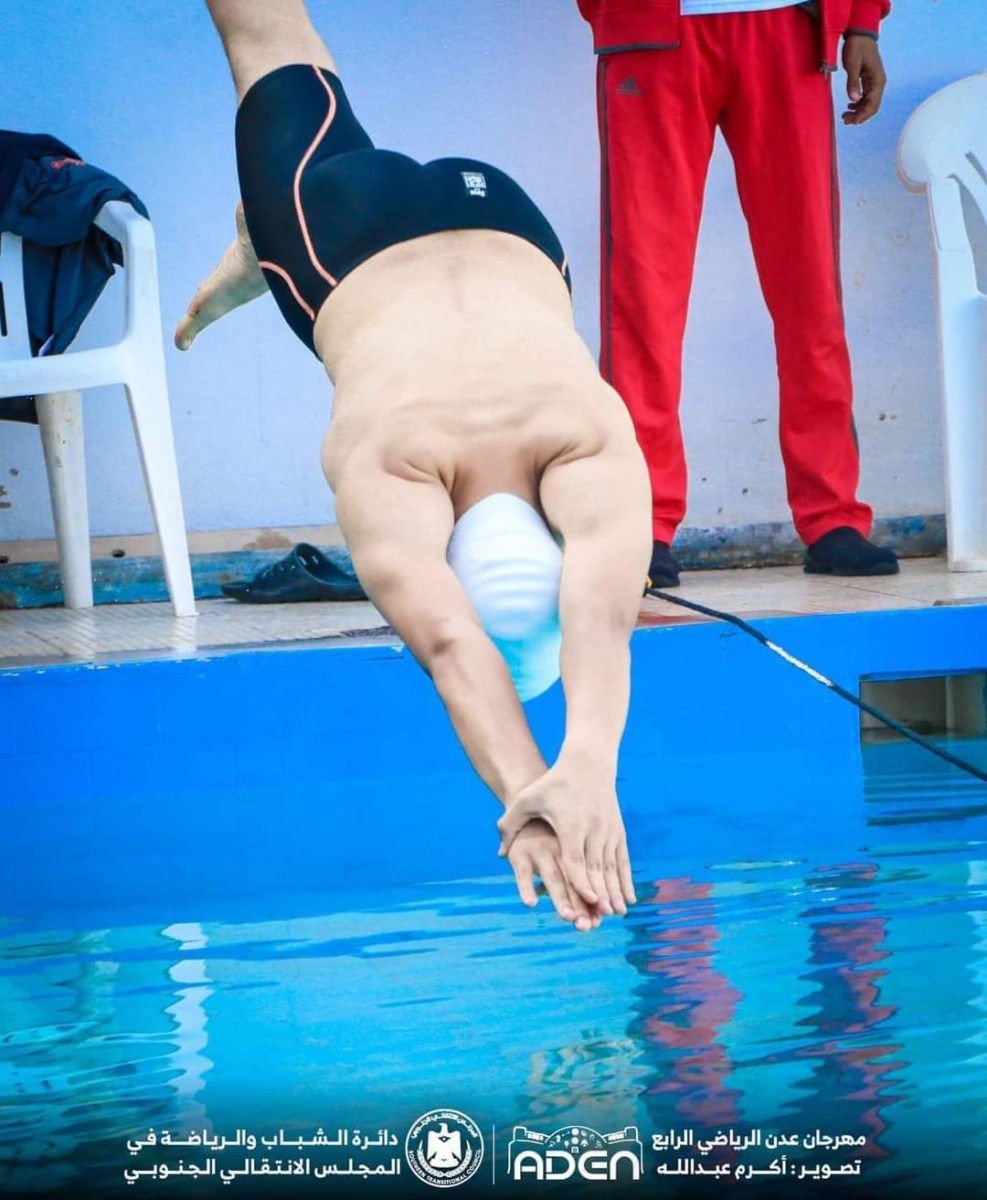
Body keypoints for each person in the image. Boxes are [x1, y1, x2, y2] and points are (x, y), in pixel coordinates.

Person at [178, 0, 653, 933]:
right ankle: (262, 246)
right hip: (334, 236)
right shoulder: (390, 468)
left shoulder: (588, 438)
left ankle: (254, 249)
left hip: (505, 218)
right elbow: (446, 647)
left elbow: (600, 617)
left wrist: (586, 768)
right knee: (263, 32)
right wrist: (527, 797)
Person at [577, 0, 898, 588]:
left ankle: (831, 517)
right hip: (653, 32)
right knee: (643, 295)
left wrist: (860, 20)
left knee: (809, 288)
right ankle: (638, 519)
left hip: (785, 27)